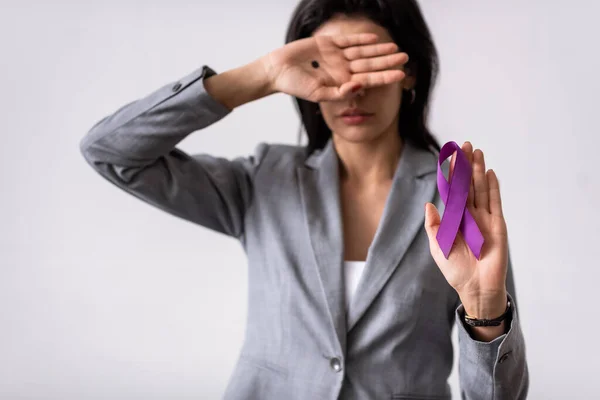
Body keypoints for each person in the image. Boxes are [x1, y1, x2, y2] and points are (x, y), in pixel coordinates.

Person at [80, 0, 529, 398]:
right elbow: (110, 151)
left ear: (409, 72)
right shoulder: (263, 181)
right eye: (329, 66)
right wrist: (260, 77)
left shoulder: (455, 200)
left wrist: (485, 311)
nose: (353, 88)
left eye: (368, 63)